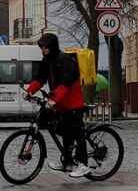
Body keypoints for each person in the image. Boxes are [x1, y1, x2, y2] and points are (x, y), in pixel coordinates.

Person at [24, 33, 89, 178]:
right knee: (66, 132)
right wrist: (29, 91)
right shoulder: (46, 61)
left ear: (52, 46)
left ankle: (83, 164)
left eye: (46, 47)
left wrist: (53, 100)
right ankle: (68, 162)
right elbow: (39, 79)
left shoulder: (64, 59)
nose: (43, 49)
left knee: (78, 132)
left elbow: (66, 83)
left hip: (73, 102)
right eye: (42, 47)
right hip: (61, 103)